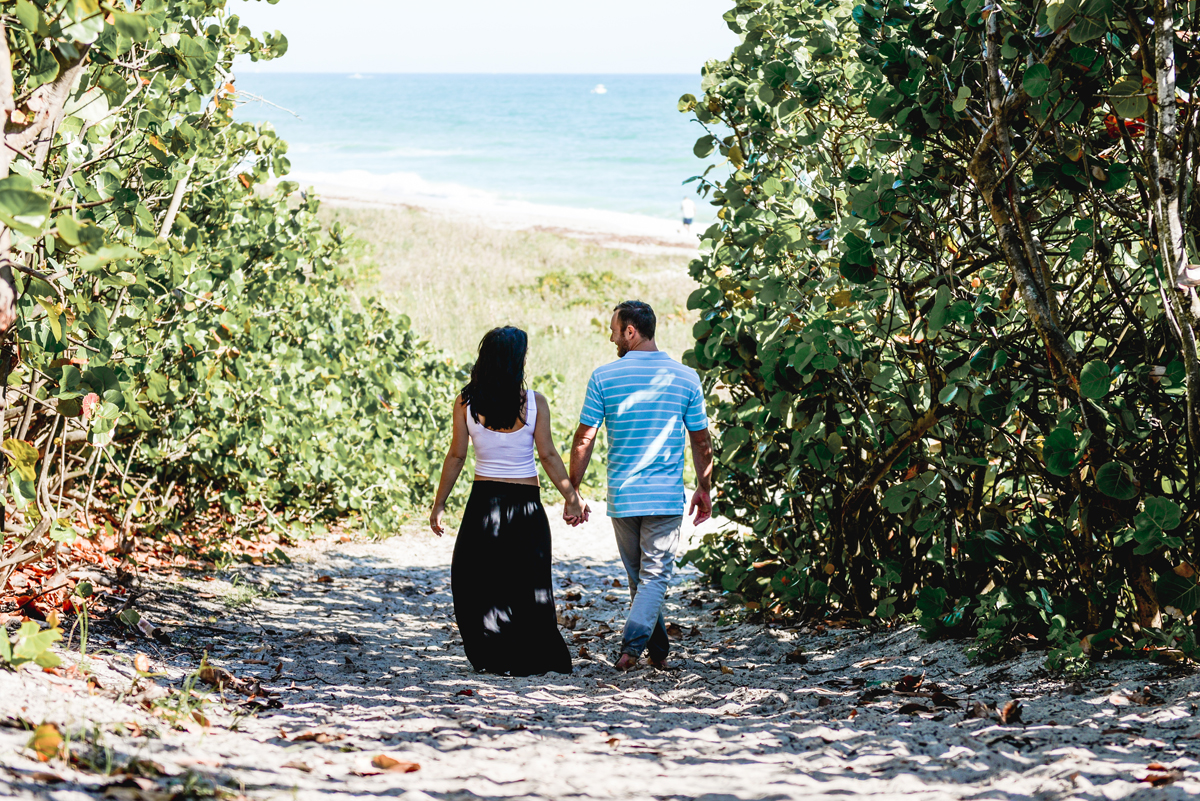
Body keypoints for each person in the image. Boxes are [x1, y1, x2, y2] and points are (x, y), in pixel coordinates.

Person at [430, 326, 583, 676]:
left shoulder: (466, 402)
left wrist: (439, 503)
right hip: (526, 505)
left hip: (484, 505)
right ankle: (534, 654)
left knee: (477, 579)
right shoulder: (533, 402)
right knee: (528, 581)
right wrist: (572, 498)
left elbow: (456, 456)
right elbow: (547, 455)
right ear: (517, 361)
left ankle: (493, 652)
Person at [569, 301, 713, 671]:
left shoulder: (604, 377)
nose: (611, 336)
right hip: (664, 497)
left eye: (614, 328)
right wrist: (704, 486)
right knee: (649, 580)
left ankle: (639, 649)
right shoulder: (685, 377)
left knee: (644, 580)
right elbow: (701, 441)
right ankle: (645, 648)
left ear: (630, 331)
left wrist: (574, 490)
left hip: (623, 495)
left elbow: (584, 439)